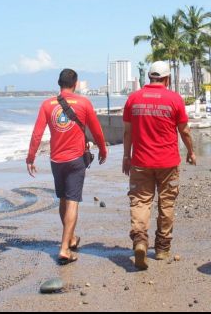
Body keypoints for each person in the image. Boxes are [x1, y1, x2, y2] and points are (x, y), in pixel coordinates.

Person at [27, 69, 108, 265]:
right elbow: (96, 130)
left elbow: (37, 133)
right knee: (72, 201)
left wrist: (30, 157)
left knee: (63, 199)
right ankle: (64, 249)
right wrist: (103, 149)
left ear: (59, 83)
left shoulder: (47, 104)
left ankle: (70, 238)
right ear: (76, 84)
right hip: (75, 160)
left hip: (56, 161)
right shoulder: (84, 103)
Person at [122, 61, 196, 270]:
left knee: (140, 202)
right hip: (168, 163)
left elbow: (127, 132)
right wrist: (191, 151)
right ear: (167, 78)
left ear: (149, 77)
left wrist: (126, 156)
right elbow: (184, 131)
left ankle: (140, 241)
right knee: (167, 203)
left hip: (140, 161)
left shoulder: (133, 98)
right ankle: (162, 248)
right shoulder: (174, 99)